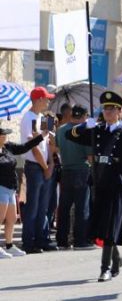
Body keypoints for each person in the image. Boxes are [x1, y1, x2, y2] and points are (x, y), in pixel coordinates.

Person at [68, 91, 122, 282]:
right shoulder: (97, 131)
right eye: (105, 109)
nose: (107, 112)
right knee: (100, 227)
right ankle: (116, 258)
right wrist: (85, 125)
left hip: (118, 184)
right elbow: (71, 135)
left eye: (111, 109)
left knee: (109, 226)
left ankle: (105, 268)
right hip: (100, 182)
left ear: (119, 112)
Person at [0, 125, 47, 257]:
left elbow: (24, 147)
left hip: (10, 188)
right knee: (0, 218)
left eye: (5, 134)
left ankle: (9, 246)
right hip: (1, 188)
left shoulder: (7, 147)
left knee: (12, 218)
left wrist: (40, 137)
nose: (5, 136)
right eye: (3, 135)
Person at [20, 86, 57, 253]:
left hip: (43, 165)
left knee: (43, 207)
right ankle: (29, 242)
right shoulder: (28, 118)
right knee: (33, 207)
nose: (48, 101)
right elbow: (33, 147)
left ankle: (41, 239)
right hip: (35, 167)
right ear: (39, 100)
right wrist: (46, 166)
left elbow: (48, 143)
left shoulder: (42, 117)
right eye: (46, 98)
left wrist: (51, 163)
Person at [56, 105, 96, 250]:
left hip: (66, 170)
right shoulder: (83, 131)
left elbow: (57, 148)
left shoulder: (61, 129)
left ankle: (62, 241)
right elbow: (90, 157)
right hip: (81, 170)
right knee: (82, 208)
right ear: (84, 116)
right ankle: (80, 240)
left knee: (64, 208)